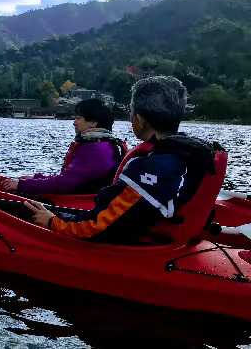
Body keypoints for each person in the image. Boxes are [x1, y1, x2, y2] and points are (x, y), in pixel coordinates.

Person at [24, 76, 224, 245]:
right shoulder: (191, 153)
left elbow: (105, 225)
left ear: (139, 119)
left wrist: (53, 222)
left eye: (130, 111)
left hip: (150, 245)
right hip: (176, 238)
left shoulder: (154, 167)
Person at [1, 98, 126, 194]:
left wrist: (21, 185)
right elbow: (69, 177)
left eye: (78, 118)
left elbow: (62, 183)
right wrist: (35, 178)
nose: (74, 123)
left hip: (80, 205)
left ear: (93, 122)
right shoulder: (104, 144)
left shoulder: (96, 150)